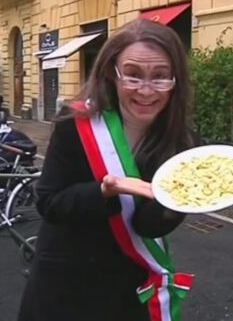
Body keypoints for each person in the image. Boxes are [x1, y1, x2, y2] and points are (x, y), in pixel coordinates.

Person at [17, 19, 199, 321]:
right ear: (111, 74)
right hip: (67, 284)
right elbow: (49, 203)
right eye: (133, 75)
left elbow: (149, 227)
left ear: (176, 80)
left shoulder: (180, 140)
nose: (146, 90)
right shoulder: (76, 123)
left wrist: (173, 205)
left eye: (160, 77)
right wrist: (103, 191)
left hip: (129, 289)